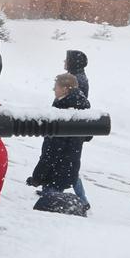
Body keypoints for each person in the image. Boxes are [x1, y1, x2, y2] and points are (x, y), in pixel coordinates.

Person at [26, 73, 91, 208]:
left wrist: (37, 177)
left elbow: (51, 152)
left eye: (56, 87)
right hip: (69, 165)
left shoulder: (62, 111)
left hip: (55, 171)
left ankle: (80, 205)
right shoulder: (80, 107)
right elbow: (88, 136)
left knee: (49, 208)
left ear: (65, 89)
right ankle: (83, 202)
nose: (53, 89)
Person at [64, 49, 91, 208]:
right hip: (73, 126)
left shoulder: (77, 80)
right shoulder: (76, 77)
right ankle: (52, 188)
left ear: (73, 62)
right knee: (65, 161)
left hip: (73, 127)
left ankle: (82, 199)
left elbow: (76, 104)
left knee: (70, 164)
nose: (64, 62)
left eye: (67, 59)